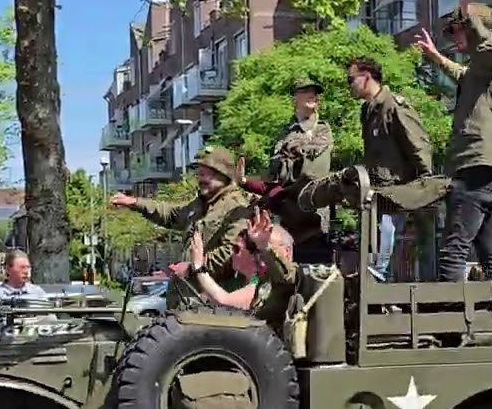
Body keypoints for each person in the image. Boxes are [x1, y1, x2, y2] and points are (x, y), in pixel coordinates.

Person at [294, 57, 444, 277]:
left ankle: (383, 285)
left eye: (351, 79)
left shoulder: (393, 106)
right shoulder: (368, 110)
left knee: (386, 252)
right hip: (377, 194)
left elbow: (419, 147)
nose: (349, 85)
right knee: (376, 248)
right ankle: (379, 292)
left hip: (400, 193)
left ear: (366, 77)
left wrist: (423, 191)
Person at [437, 0, 492, 282]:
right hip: (491, 168)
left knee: (455, 247)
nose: (455, 37)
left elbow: (485, 43)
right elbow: (463, 74)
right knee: (489, 249)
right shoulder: (482, 69)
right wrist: (436, 57)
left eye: (459, 29)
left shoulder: (491, 55)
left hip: (478, 164)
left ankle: (447, 322)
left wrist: (465, 4)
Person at [111, 145, 254, 308]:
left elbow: (232, 252)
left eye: (204, 173)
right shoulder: (201, 204)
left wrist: (192, 267)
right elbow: (172, 214)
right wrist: (135, 202)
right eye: (198, 173)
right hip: (188, 298)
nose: (199, 179)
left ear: (222, 174)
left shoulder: (237, 207)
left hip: (213, 303)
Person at [243, 77, 334, 264]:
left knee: (314, 269)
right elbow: (276, 170)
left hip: (313, 216)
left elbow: (311, 170)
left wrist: (292, 151)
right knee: (286, 268)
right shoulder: (285, 132)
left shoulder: (322, 129)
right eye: (306, 91)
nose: (313, 96)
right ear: (295, 98)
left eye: (315, 92)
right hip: (287, 216)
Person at [187, 208, 296, 333]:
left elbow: (225, 301)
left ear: (286, 251)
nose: (260, 255)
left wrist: (199, 267)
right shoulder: (257, 279)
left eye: (237, 249)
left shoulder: (287, 281)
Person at [0, 250, 47, 324]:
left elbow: (50, 321)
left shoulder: (38, 293)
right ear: (8, 269)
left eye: (28, 267)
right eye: (22, 267)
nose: (26, 271)